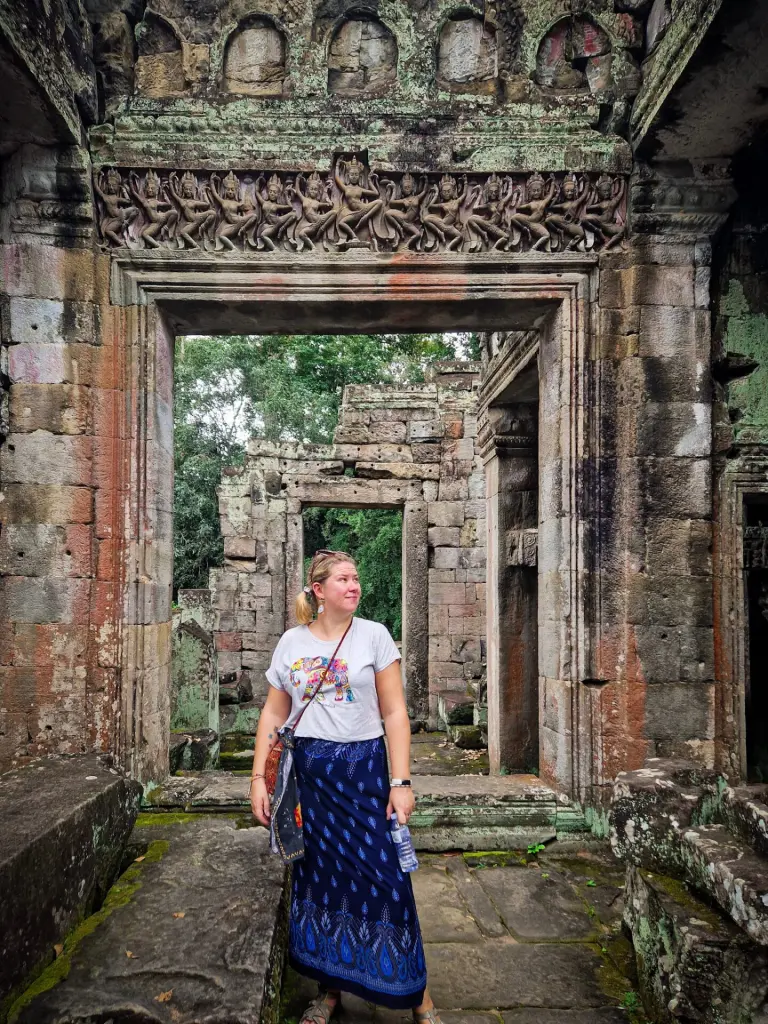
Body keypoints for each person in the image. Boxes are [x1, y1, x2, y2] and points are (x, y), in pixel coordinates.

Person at [250, 550, 443, 1024]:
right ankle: (329, 991)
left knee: (388, 881)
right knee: (318, 884)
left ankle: (419, 998)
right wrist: (259, 777)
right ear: (318, 590)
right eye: (343, 579)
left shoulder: (374, 637)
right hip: (310, 782)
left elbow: (395, 713)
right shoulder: (291, 643)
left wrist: (401, 782)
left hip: (365, 775)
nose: (354, 586)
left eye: (356, 578)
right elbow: (275, 714)